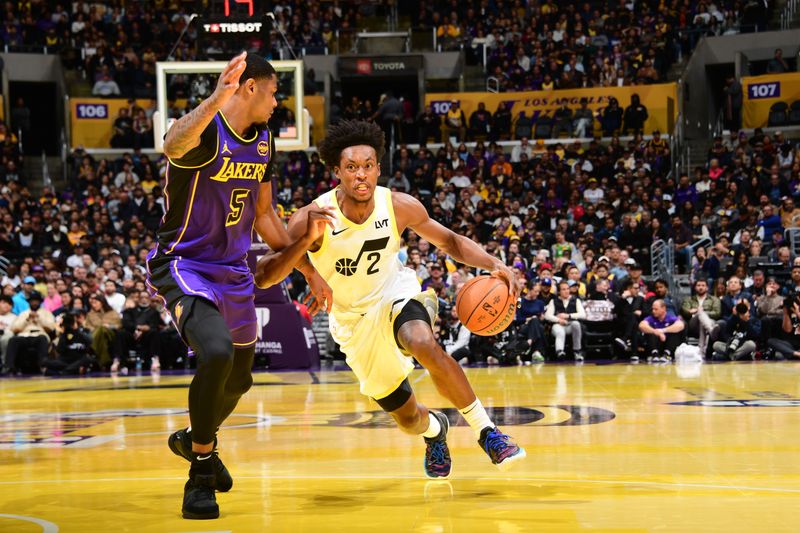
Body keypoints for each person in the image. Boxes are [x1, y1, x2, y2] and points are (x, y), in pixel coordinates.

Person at [255, 119, 526, 480]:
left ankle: (487, 432)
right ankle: (436, 432)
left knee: (420, 340)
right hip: (352, 323)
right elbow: (273, 265)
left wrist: (495, 263)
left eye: (368, 166)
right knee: (409, 419)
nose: (361, 175)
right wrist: (309, 270)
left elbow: (450, 242)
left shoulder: (398, 205)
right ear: (337, 171)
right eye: (351, 168)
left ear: (378, 169)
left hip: (394, 294)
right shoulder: (312, 217)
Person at [145, 52, 335, 520]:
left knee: (241, 378)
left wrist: (307, 268)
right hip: (187, 264)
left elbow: (266, 215)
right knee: (215, 353)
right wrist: (215, 98)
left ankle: (193, 441)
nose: (277, 102)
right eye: (273, 92)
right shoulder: (206, 130)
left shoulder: (264, 141)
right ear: (249, 88)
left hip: (233, 270)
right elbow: (170, 145)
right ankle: (202, 473)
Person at [544, 280, 586, 362]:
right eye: (563, 289)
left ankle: (577, 351)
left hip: (570, 324)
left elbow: (583, 315)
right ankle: (560, 352)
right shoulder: (554, 301)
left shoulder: (576, 300)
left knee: (576, 324)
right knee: (560, 331)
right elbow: (547, 316)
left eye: (567, 289)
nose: (566, 291)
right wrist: (558, 320)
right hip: (558, 325)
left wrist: (568, 316)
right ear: (559, 292)